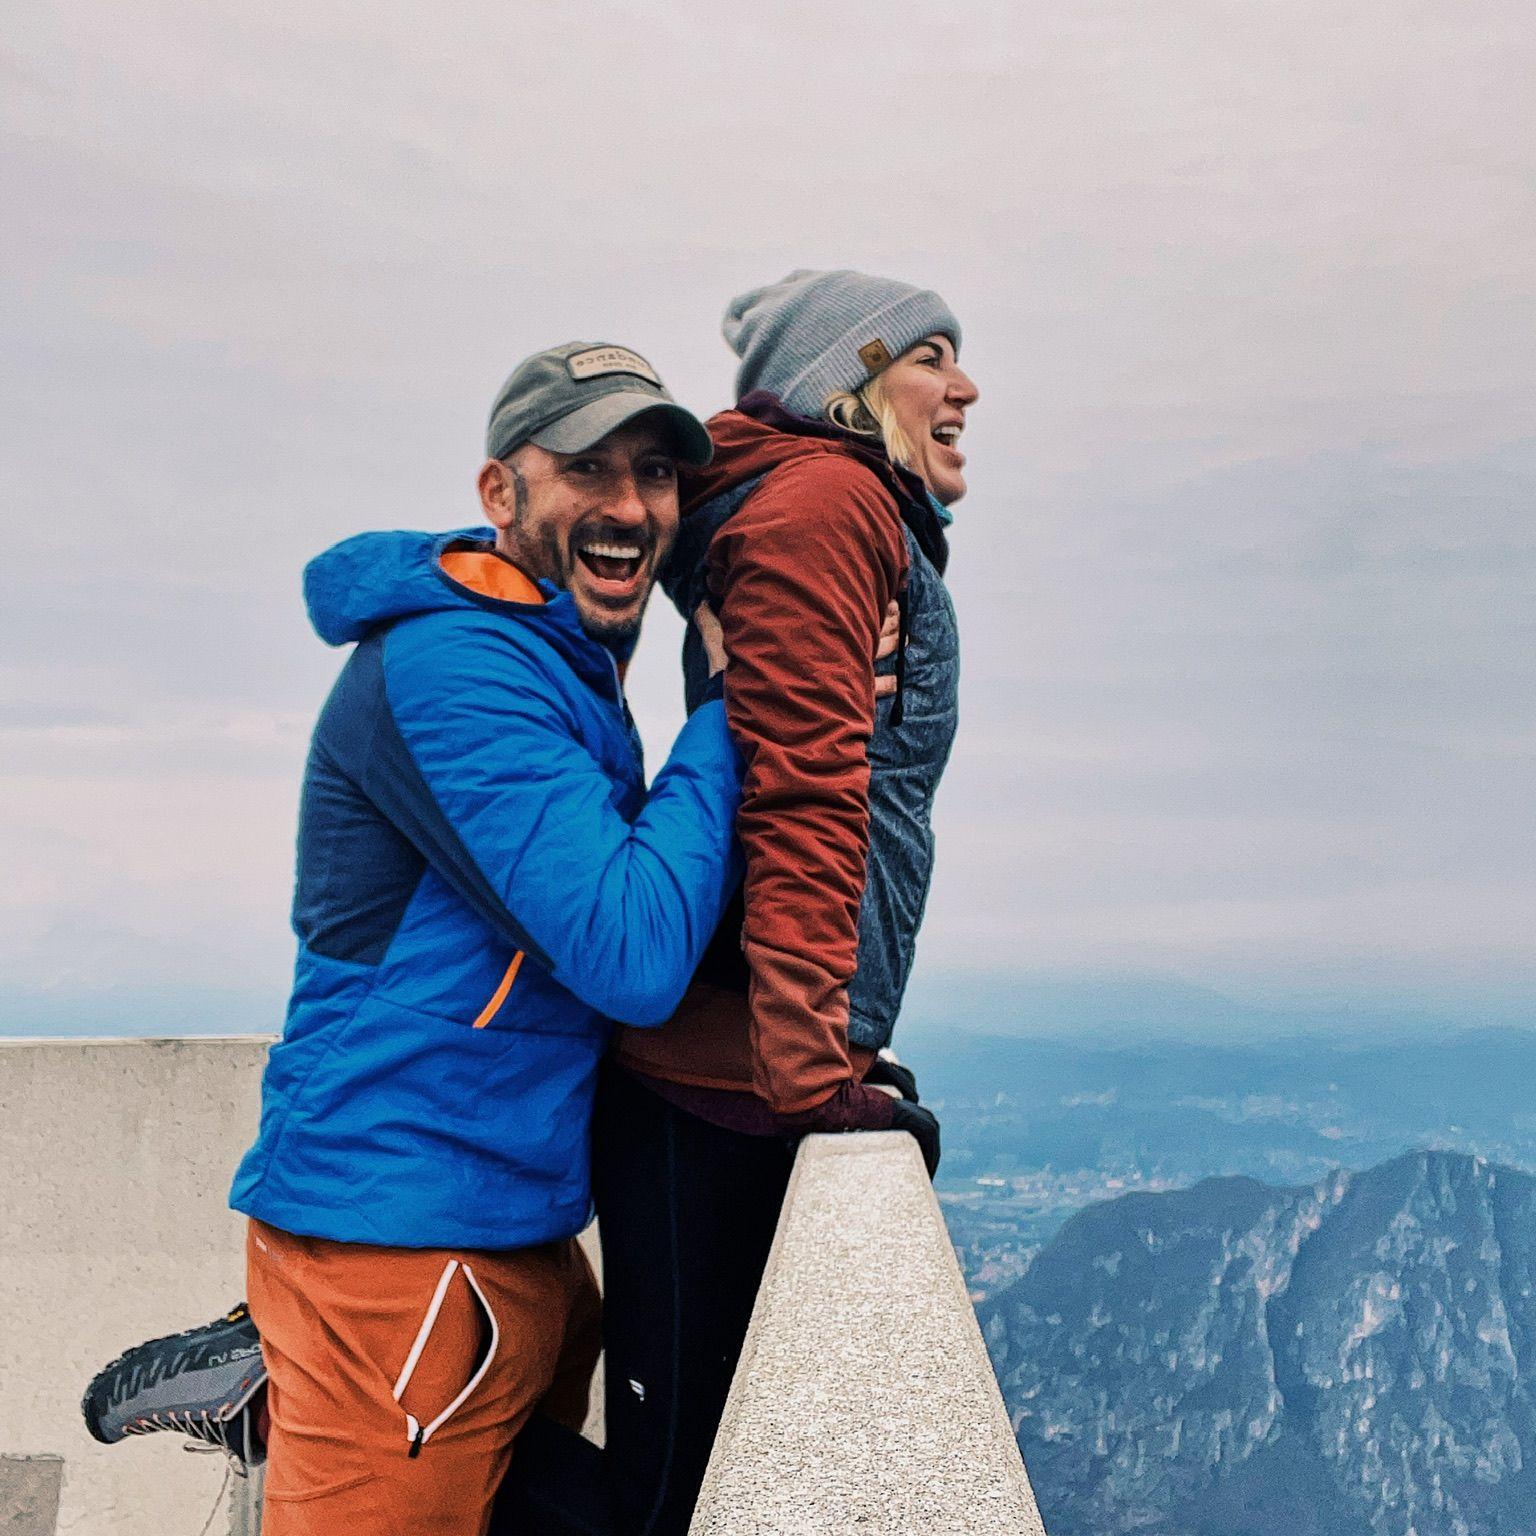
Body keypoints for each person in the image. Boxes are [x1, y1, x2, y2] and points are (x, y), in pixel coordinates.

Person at [85, 341, 748, 1536]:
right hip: (404, 1259)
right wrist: (729, 711)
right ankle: (301, 1380)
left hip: (515, 1236)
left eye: (654, 474)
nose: (630, 504)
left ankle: (277, 1389)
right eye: (586, 466)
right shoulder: (457, 667)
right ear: (502, 493)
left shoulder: (557, 664)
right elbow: (631, 951)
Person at [594, 269, 979, 1535]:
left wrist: (836, 1046)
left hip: (734, 1051)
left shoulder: (821, 501)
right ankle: (314, 1403)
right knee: (669, 1494)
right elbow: (809, 789)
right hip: (714, 1076)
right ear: (847, 381)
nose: (965, 386)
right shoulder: (826, 503)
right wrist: (813, 1072)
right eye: (931, 356)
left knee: (695, 1466)